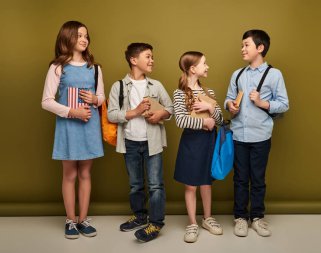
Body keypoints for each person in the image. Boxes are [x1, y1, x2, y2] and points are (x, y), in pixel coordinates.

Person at [41, 21, 104, 239]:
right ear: (67, 38)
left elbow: (102, 97)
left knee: (86, 173)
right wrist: (73, 112)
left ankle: (83, 219)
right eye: (79, 35)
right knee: (70, 174)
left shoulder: (94, 68)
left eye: (86, 36)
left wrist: (96, 99)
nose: (84, 39)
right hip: (69, 126)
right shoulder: (57, 67)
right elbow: (46, 101)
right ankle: (70, 220)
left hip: (90, 125)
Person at [225, 29, 289, 237]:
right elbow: (228, 98)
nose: (242, 49)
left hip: (261, 135)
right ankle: (240, 218)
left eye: (246, 45)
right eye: (242, 45)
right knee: (240, 179)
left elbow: (284, 104)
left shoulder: (274, 74)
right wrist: (230, 106)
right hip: (238, 136)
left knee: (258, 179)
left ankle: (258, 218)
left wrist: (262, 102)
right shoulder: (238, 74)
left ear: (260, 48)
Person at [107, 43, 173, 242]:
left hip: (152, 143)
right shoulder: (118, 86)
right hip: (130, 143)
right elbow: (111, 115)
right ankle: (139, 215)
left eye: (152, 57)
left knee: (155, 185)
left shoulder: (156, 85)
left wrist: (160, 114)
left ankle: (156, 223)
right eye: (148, 56)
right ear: (134, 60)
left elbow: (170, 108)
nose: (152, 60)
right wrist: (134, 112)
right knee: (135, 185)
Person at [173, 51, 224, 243]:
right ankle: (192, 223)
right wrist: (204, 123)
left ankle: (207, 218)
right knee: (190, 185)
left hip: (208, 142)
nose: (208, 66)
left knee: (206, 182)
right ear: (193, 69)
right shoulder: (179, 93)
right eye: (204, 63)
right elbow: (180, 120)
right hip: (191, 143)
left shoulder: (209, 93)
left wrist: (210, 109)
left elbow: (219, 118)